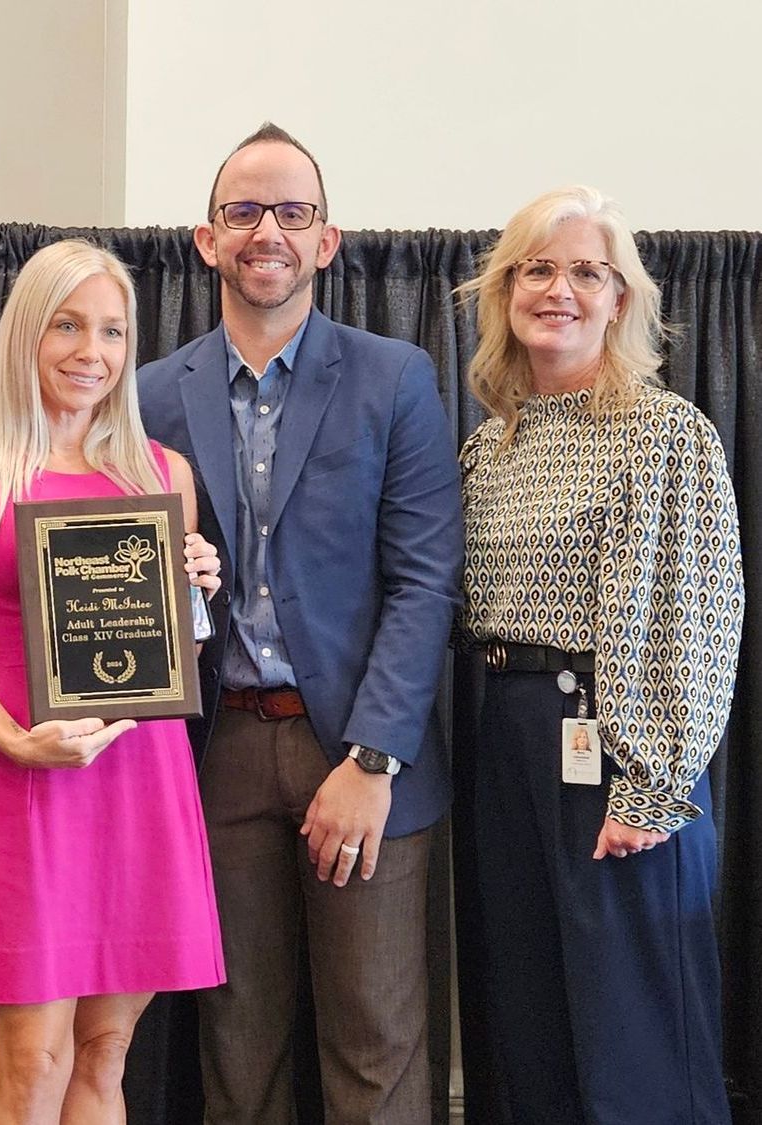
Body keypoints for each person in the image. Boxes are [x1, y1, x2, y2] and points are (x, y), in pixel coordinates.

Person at [137, 124, 462, 1124]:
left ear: (328, 240)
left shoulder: (394, 377)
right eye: (243, 211)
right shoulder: (150, 393)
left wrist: (372, 764)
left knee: (374, 1048)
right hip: (218, 748)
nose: (266, 230)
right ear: (206, 239)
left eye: (292, 212)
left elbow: (425, 581)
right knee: (239, 1047)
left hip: (361, 755)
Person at [0, 238, 225, 1124]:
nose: (93, 351)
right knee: (33, 1065)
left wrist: (196, 594)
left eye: (113, 331)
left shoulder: (162, 476)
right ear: (26, 334)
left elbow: (177, 663)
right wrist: (15, 739)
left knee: (104, 1054)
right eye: (69, 325)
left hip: (142, 780)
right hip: (24, 778)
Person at [457, 185, 742, 1123]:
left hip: (616, 742)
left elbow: (700, 623)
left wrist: (651, 784)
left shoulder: (670, 435)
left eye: (587, 270)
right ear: (504, 292)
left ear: (621, 299)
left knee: (636, 1038)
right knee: (531, 1024)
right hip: (507, 743)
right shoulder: (486, 448)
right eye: (536, 268)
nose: (559, 289)